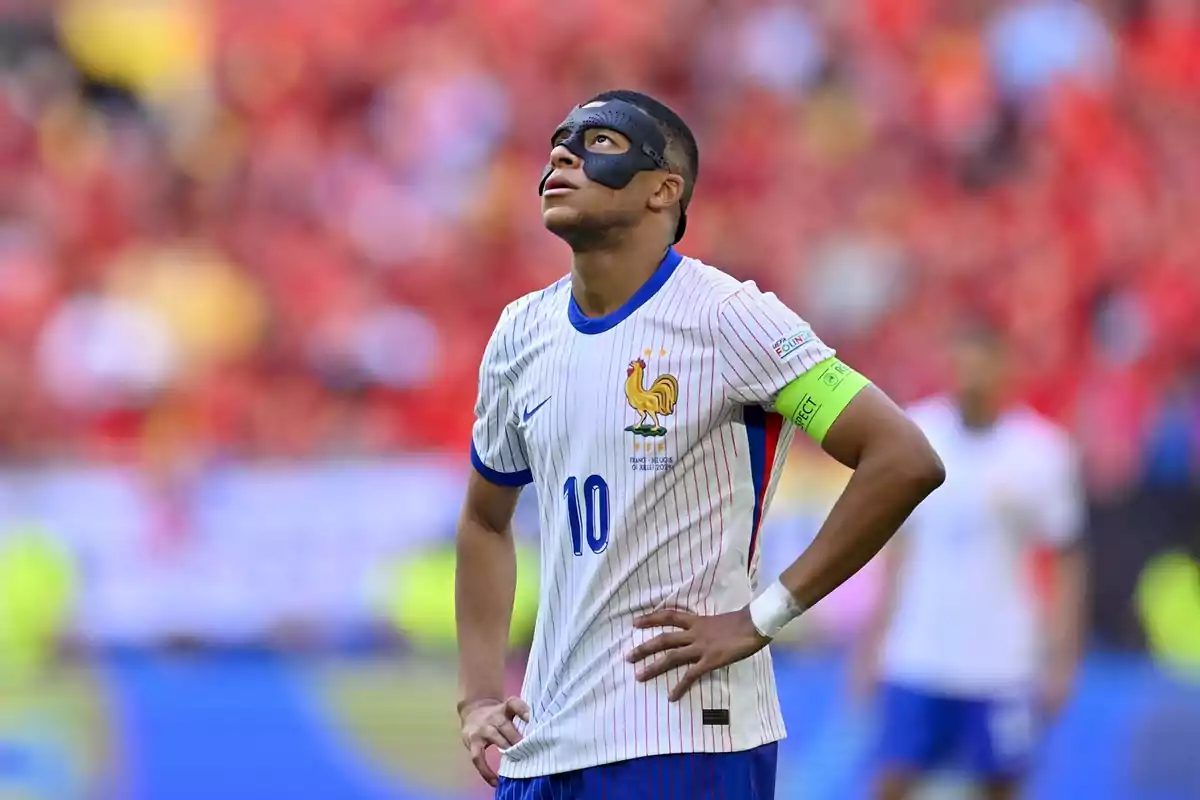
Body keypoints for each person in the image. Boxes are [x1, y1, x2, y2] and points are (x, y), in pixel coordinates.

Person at [455, 89, 946, 800]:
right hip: (544, 747)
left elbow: (903, 458)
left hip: (686, 735)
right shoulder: (519, 335)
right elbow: (484, 517)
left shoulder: (727, 317)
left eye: (602, 142)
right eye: (560, 140)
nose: (562, 154)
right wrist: (476, 695)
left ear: (664, 190)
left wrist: (762, 617)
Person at [856, 324, 1087, 800]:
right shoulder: (916, 433)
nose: (972, 378)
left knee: (1001, 786)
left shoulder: (1041, 452)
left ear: (1007, 370)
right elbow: (895, 547)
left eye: (983, 366)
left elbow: (1067, 559)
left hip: (1002, 660)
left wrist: (1062, 657)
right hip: (917, 652)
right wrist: (871, 640)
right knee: (891, 781)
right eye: (963, 365)